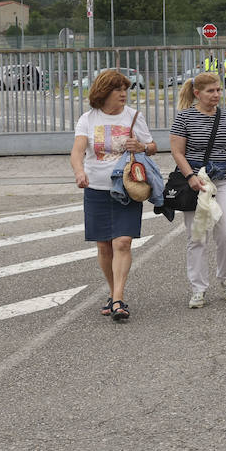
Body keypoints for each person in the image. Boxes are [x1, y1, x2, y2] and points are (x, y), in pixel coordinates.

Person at [70, 69, 158, 322]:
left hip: (126, 187)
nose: (123, 94)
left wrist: (142, 147)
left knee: (122, 242)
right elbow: (77, 151)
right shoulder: (88, 119)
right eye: (118, 89)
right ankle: (113, 293)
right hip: (96, 187)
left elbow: (153, 147)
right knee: (104, 245)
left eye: (125, 89)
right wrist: (79, 172)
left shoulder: (134, 117)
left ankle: (118, 298)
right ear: (104, 92)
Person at [171, 72, 226, 308]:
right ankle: (198, 289)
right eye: (211, 91)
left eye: (218, 90)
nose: (217, 94)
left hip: (225, 180)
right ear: (197, 93)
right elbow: (177, 151)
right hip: (196, 183)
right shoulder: (184, 118)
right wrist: (189, 176)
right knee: (197, 237)